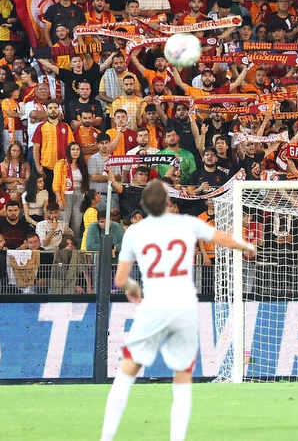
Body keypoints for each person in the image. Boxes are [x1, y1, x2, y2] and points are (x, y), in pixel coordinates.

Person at [100, 180, 255, 441]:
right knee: (182, 376)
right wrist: (246, 246)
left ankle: (107, 436)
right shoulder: (186, 223)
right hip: (184, 306)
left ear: (142, 204)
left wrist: (132, 287)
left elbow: (120, 280)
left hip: (154, 305)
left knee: (127, 371)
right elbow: (222, 238)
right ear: (168, 202)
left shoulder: (135, 233)